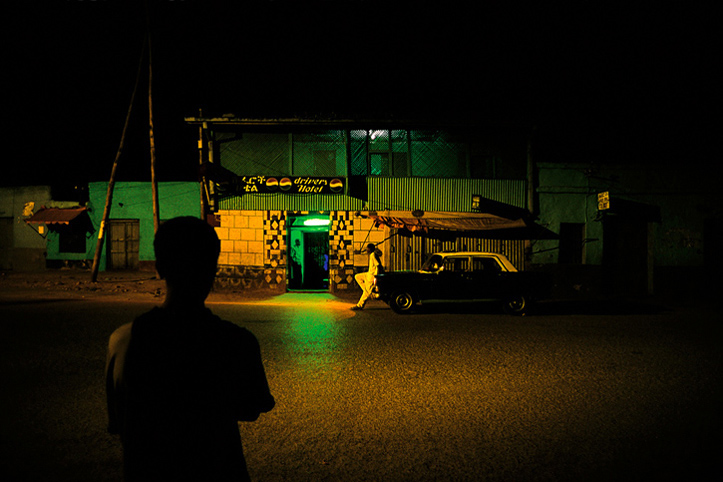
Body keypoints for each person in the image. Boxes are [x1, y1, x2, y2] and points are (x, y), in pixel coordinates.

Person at [105, 216, 275, 481]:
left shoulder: (122, 341)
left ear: (159, 267)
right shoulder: (237, 342)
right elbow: (252, 408)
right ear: (213, 268)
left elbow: (117, 421)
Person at [351, 243, 383, 311]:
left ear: (370, 249)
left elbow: (378, 266)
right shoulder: (372, 255)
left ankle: (360, 305)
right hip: (368, 274)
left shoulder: (373, 255)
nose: (366, 250)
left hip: (371, 276)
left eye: (367, 248)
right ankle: (371, 293)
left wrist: (376, 276)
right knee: (357, 277)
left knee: (366, 292)